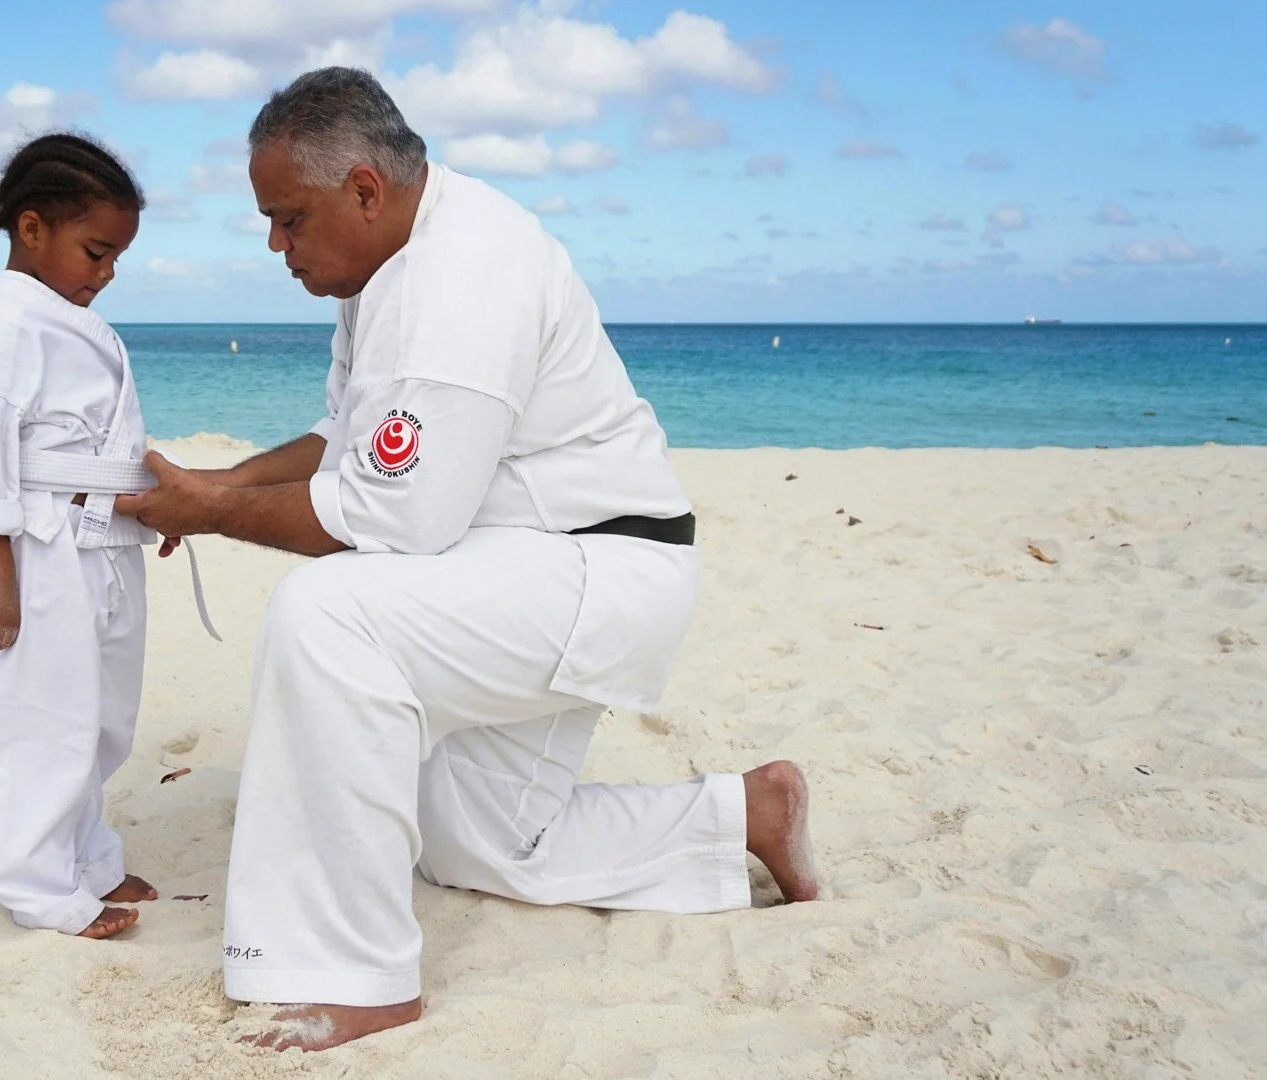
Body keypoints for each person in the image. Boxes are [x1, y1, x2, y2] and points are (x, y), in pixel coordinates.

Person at [116, 68, 820, 1048]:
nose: (274, 244)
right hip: (531, 566)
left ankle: (360, 976)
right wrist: (215, 487)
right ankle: (743, 815)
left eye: (287, 218)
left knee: (328, 613)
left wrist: (216, 514)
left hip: (594, 566)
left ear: (364, 189)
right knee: (479, 844)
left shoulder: (462, 274)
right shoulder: (393, 263)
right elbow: (344, 442)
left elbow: (392, 518)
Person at [0, 132, 162, 941]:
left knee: (100, 712)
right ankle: (37, 885)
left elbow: (95, 443)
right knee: (36, 715)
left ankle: (87, 856)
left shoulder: (62, 321)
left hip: (99, 538)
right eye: (95, 251)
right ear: (31, 230)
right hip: (33, 549)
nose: (104, 275)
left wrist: (145, 500)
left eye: (115, 260)